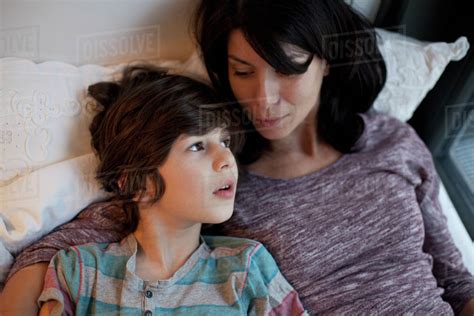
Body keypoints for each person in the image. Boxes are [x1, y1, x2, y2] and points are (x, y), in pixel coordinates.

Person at [2, 0, 474, 315]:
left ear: (326, 61)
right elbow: (69, 243)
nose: (263, 98)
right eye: (243, 72)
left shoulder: (391, 140)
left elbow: (456, 281)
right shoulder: (219, 176)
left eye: (287, 70)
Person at [35, 65, 306, 315]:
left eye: (224, 141)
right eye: (198, 146)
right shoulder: (79, 273)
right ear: (138, 183)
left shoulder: (247, 268)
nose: (226, 159)